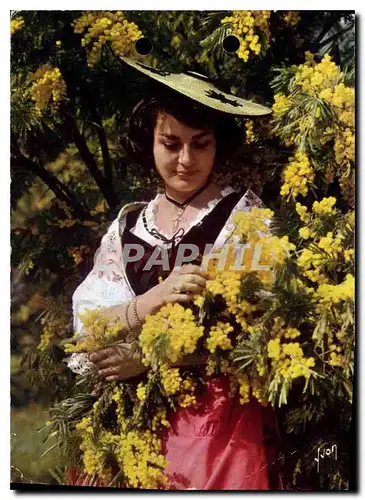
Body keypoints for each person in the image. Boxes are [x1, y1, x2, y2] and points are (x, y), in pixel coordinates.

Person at [67, 57, 283, 490]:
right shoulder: (127, 226)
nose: (185, 160)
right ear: (149, 141)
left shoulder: (243, 217)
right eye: (171, 143)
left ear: (218, 146)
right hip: (128, 426)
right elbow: (87, 329)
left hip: (217, 426)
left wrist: (148, 358)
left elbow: (262, 333)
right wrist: (150, 301)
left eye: (200, 144)